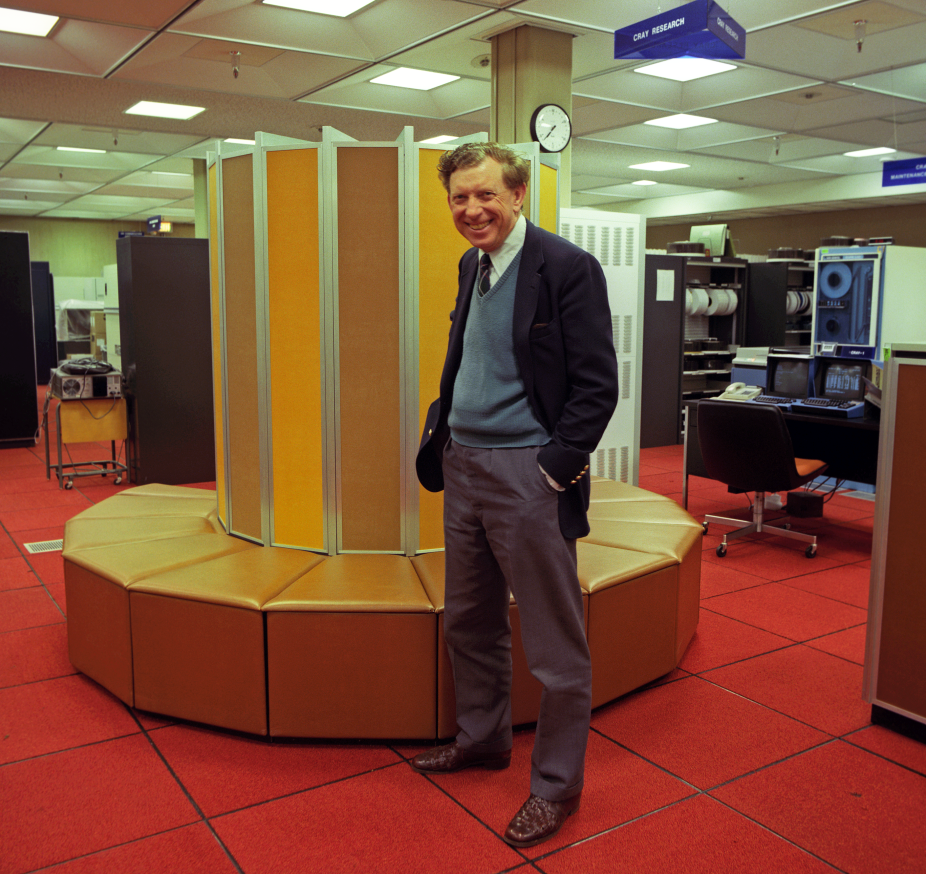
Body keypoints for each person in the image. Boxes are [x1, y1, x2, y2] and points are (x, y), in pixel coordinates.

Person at [413, 142, 618, 848]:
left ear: (518, 194)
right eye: (458, 198)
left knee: (557, 651)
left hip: (527, 475)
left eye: (485, 195)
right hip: (463, 467)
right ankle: (483, 741)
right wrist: (443, 429)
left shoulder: (565, 267)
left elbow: (596, 385)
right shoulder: (472, 264)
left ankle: (557, 788)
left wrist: (552, 470)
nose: (471, 210)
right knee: (468, 620)